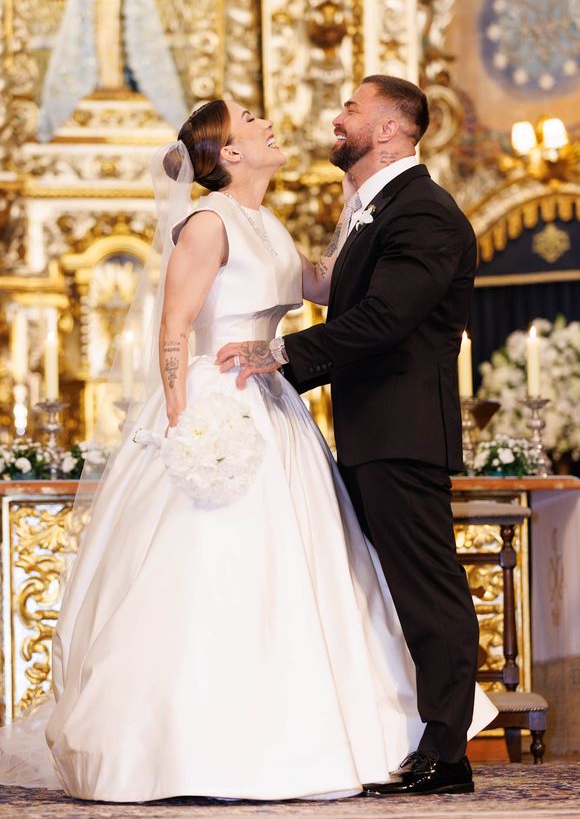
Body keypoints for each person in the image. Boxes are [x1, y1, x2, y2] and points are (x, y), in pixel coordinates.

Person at [0, 98, 495, 803]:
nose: (269, 125)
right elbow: (173, 326)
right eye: (252, 121)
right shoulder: (208, 221)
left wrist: (357, 213)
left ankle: (316, 733)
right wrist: (183, 417)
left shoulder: (268, 222)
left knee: (305, 567)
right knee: (211, 562)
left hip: (275, 402)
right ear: (228, 152)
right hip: (219, 400)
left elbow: (325, 284)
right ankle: (185, 741)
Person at [217, 76, 488, 796]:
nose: (336, 119)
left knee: (427, 591)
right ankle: (398, 735)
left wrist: (278, 354)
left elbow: (385, 319)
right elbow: (348, 299)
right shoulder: (375, 208)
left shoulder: (425, 212)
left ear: (391, 129)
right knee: (382, 591)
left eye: (351, 110)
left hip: (405, 434)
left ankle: (448, 752)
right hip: (372, 432)